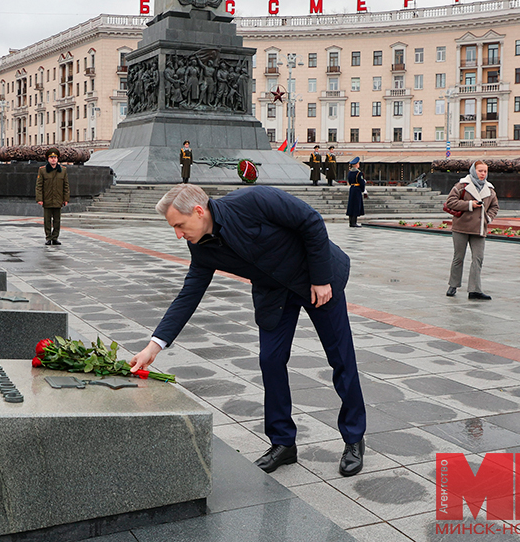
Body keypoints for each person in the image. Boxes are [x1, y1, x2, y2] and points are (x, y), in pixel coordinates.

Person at [130, 184, 366, 477]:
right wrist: (154, 346)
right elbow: (189, 294)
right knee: (270, 360)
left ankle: (354, 438)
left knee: (341, 358)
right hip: (274, 296)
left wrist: (320, 278)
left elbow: (311, 221)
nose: (178, 235)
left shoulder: (254, 200)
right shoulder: (200, 244)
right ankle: (283, 443)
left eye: (179, 225)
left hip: (318, 281)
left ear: (199, 211)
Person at [445, 161, 499, 300]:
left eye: (485, 171)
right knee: (458, 257)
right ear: (474, 171)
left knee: (478, 258)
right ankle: (453, 285)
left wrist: (488, 218)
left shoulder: (490, 189)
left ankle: (474, 290)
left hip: (480, 228)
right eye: (480, 171)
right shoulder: (462, 185)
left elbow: (495, 207)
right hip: (461, 227)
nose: (483, 174)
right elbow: (450, 202)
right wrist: (470, 204)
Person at [36, 148, 69, 245]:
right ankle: (48, 237)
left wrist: (66, 198)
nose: (53, 159)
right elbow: (39, 186)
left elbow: (66, 185)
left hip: (58, 199)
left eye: (55, 157)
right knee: (47, 220)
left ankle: (55, 237)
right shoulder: (43, 171)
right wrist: (39, 199)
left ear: (58, 159)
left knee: (57, 220)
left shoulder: (63, 170)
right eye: (51, 158)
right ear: (48, 159)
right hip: (47, 199)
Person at [346, 157, 366, 228]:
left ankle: (351, 222)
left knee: (351, 206)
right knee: (356, 206)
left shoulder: (350, 172)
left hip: (352, 189)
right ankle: (354, 222)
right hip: (357, 190)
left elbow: (349, 181)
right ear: (356, 164)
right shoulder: (358, 173)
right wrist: (363, 189)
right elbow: (361, 182)